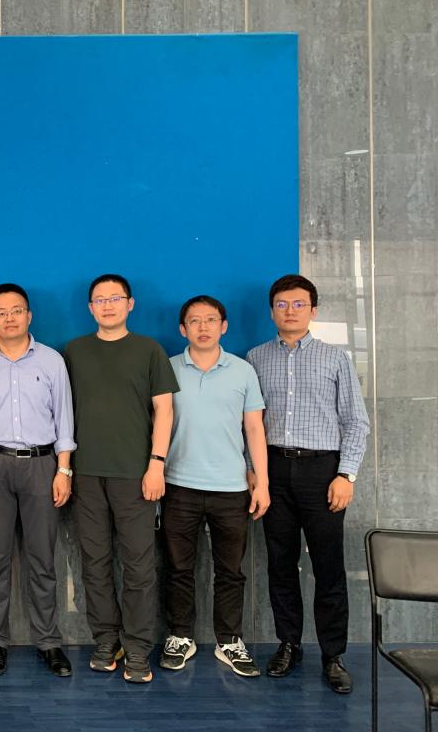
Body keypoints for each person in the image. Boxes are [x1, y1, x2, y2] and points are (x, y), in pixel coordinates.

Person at [247, 274, 370, 695]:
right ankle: (288, 644)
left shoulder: (335, 359)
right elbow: (249, 423)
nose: (290, 311)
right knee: (280, 564)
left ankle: (333, 655)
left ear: (313, 310)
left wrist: (346, 474)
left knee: (328, 567)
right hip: (273, 472)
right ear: (272, 311)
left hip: (323, 473)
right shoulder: (256, 358)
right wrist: (252, 471)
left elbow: (356, 422)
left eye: (299, 304)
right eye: (282, 304)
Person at [63, 273, 178, 684]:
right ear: (90, 308)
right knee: (94, 564)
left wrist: (156, 464)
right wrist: (65, 470)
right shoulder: (74, 352)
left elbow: (165, 410)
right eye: (100, 299)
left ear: (130, 304)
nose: (108, 305)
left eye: (115, 298)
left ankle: (138, 647)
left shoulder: (149, 350)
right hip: (86, 475)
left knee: (139, 566)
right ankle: (106, 641)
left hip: (136, 475)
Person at [0, 283, 75, 678]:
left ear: (29, 315)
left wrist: (64, 470)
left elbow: (65, 417)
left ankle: (48, 642)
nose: (9, 318)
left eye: (17, 310)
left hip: (42, 466)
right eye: (1, 312)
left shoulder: (51, 360)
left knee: (42, 560)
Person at [160, 295, 270, 678]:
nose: (203, 327)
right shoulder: (167, 368)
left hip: (231, 487)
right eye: (194, 320)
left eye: (210, 320)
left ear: (224, 326)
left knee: (230, 571)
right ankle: (180, 636)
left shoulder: (243, 371)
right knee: (178, 568)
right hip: (178, 485)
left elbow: (254, 428)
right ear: (183, 329)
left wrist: (262, 481)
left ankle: (229, 641)